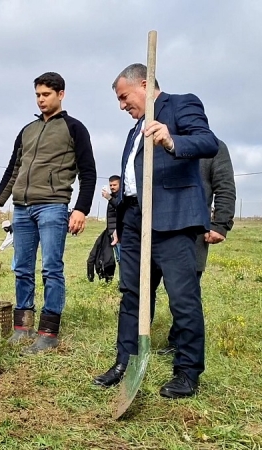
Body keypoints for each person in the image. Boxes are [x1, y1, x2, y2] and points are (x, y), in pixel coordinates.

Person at [93, 63, 219, 399]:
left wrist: (171, 140)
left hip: (172, 218)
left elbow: (208, 142)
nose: (122, 105)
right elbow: (132, 179)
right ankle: (125, 361)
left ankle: (187, 372)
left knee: (182, 297)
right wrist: (120, 214)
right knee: (132, 294)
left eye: (124, 97)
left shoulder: (180, 104)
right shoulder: (135, 129)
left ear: (144, 84)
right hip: (135, 220)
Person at [0, 72, 97, 354]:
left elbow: (88, 172)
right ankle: (22, 328)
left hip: (53, 205)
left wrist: (81, 209)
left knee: (51, 268)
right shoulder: (27, 130)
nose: (41, 99)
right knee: (22, 268)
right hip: (22, 209)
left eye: (46, 94)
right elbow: (14, 169)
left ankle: (48, 332)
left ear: (61, 94)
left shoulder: (74, 128)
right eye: (37, 95)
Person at [157, 140, 235, 355]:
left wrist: (220, 224)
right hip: (153, 229)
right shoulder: (157, 142)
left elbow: (225, 186)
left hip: (193, 229)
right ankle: (136, 341)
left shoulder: (213, 146)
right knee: (143, 288)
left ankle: (180, 344)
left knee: (185, 293)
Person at [102, 175, 121, 262]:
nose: (112, 187)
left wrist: (109, 198)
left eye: (115, 185)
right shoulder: (113, 197)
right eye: (110, 185)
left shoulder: (121, 196)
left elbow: (120, 207)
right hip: (112, 232)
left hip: (119, 233)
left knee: (122, 259)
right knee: (118, 259)